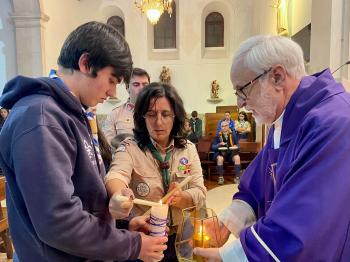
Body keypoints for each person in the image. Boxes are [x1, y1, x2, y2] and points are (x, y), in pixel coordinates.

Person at [0, 21, 167, 262]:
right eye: (111, 80)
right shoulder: (41, 119)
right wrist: (131, 245)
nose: (112, 92)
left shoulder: (72, 113)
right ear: (86, 63)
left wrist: (122, 226)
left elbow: (85, 194)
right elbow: (58, 221)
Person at [194, 35, 350, 261]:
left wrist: (227, 258)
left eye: (242, 90)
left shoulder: (334, 122)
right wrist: (224, 224)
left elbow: (300, 224)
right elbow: (258, 184)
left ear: (277, 77)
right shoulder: (286, 121)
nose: (240, 104)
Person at [105, 82, 207, 261]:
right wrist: (118, 195)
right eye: (151, 114)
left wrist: (182, 198)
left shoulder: (188, 149)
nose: (158, 122)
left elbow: (200, 191)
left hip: (182, 238)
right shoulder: (130, 148)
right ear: (142, 117)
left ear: (175, 116)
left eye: (165, 114)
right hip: (146, 240)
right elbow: (116, 175)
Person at [104, 67, 150, 143]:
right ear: (127, 87)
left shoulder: (157, 113)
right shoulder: (115, 114)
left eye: (145, 85)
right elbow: (108, 146)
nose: (141, 88)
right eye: (136, 84)